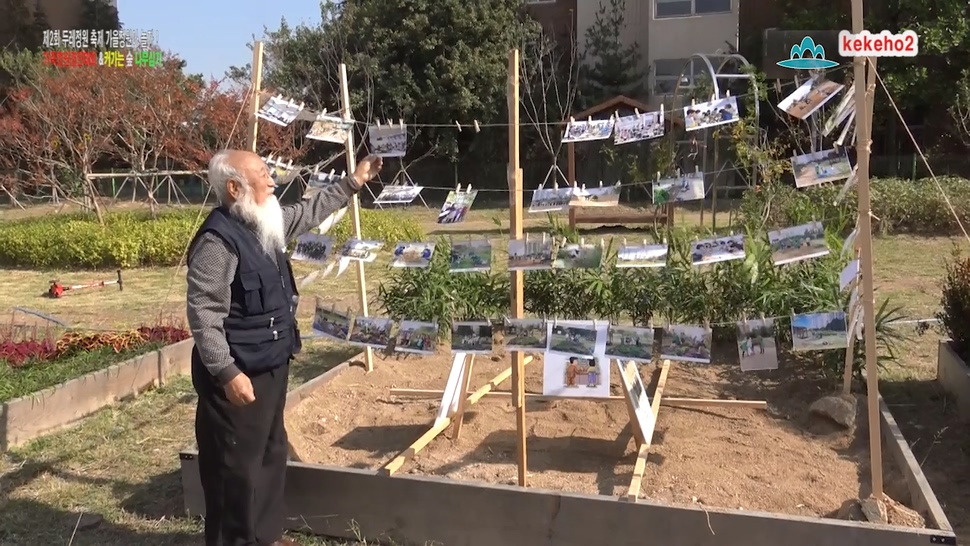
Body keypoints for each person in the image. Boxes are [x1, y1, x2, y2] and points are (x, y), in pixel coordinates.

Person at [186, 149, 383, 546]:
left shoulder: (264, 223)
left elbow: (308, 212)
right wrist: (226, 372)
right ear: (235, 187)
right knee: (234, 469)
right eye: (263, 174)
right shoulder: (217, 240)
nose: (272, 180)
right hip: (239, 374)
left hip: (272, 363)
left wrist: (353, 181)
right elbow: (204, 314)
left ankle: (265, 536)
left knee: (270, 454)